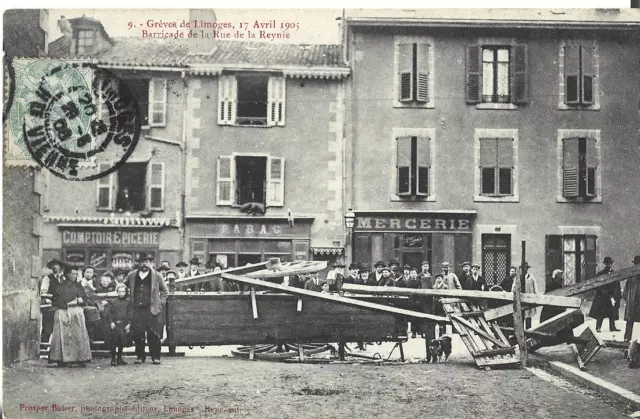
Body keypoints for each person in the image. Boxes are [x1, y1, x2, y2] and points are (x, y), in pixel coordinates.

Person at [125, 252, 168, 365]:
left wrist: (160, 304)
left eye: (147, 262)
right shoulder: (132, 275)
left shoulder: (157, 275)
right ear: (139, 263)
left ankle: (155, 357)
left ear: (151, 263)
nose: (145, 264)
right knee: (138, 334)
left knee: (153, 334)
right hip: (137, 309)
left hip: (151, 309)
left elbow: (164, 291)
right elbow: (123, 287)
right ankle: (140, 356)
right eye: (143, 262)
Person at [48, 264, 92, 367]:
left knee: (78, 336)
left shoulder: (78, 285)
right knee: (64, 337)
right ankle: (62, 359)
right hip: (64, 312)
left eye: (76, 274)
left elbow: (85, 299)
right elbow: (55, 300)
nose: (75, 276)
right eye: (73, 274)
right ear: (67, 274)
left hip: (76, 312)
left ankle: (79, 359)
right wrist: (67, 304)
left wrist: (80, 300)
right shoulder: (60, 286)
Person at [540, 269, 574, 344]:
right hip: (552, 307)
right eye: (559, 277)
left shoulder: (555, 284)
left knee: (562, 321)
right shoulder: (553, 284)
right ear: (556, 277)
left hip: (555, 306)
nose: (561, 279)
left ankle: (564, 338)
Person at [589, 257, 621, 333]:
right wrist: (603, 291)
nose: (608, 265)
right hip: (602, 297)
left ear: (611, 264)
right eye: (607, 263)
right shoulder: (600, 274)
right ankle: (598, 327)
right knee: (600, 313)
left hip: (611, 296)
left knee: (612, 312)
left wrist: (615, 295)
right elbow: (596, 285)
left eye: (609, 263)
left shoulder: (614, 273)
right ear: (605, 264)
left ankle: (612, 327)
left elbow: (617, 285)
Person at [40, 258, 68, 343]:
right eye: (52, 266)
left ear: (61, 267)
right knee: (47, 329)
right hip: (51, 306)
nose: (54, 267)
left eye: (56, 265)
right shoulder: (47, 278)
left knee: (63, 330)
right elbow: (43, 293)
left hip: (63, 307)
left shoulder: (66, 279)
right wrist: (49, 298)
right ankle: (44, 348)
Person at [107, 284, 132, 366]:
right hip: (115, 324)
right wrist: (111, 322)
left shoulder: (128, 302)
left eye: (123, 291)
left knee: (121, 340)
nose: (121, 293)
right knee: (114, 340)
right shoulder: (113, 301)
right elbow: (109, 313)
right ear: (117, 292)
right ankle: (113, 358)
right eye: (120, 291)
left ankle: (119, 358)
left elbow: (130, 313)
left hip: (123, 324)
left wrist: (129, 324)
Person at [622, 256, 640, 342]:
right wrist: (627, 299)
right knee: (630, 321)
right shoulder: (631, 277)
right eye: (636, 264)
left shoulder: (632, 276)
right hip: (632, 303)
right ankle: (627, 338)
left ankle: (627, 338)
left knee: (630, 320)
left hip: (635, 302)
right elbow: (626, 290)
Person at [519, 263, 539, 329]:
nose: (524, 269)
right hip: (521, 299)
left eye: (526, 268)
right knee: (521, 316)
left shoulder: (531, 277)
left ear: (527, 269)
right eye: (523, 268)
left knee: (528, 315)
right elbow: (513, 288)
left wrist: (536, 296)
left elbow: (535, 287)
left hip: (529, 299)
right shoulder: (518, 277)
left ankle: (528, 331)